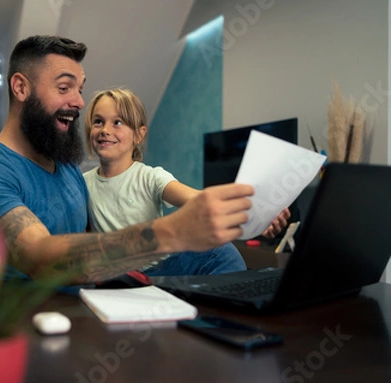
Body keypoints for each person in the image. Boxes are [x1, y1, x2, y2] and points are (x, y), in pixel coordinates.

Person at [0, 35, 284, 285]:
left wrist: (250, 215)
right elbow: (39, 257)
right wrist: (171, 232)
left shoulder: (68, 170)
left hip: (99, 305)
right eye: (64, 88)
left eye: (80, 89)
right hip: (33, 327)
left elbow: (91, 239)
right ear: (21, 88)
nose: (80, 102)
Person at [83, 88, 290, 276]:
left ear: (139, 134)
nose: (105, 130)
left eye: (117, 122)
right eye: (98, 121)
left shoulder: (150, 176)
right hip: (118, 275)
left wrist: (257, 216)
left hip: (160, 270)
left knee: (222, 251)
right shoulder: (82, 183)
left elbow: (200, 200)